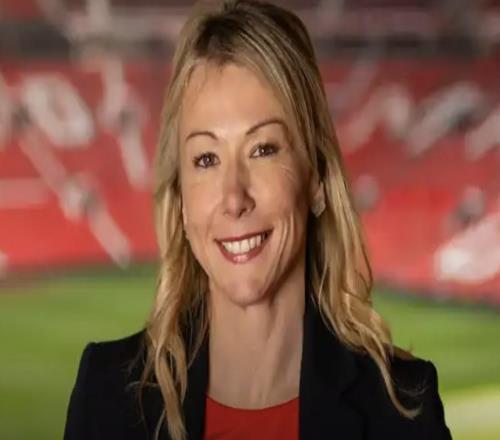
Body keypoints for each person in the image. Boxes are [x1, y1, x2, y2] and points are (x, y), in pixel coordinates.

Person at [63, 1, 452, 439]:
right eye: (206, 159)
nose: (234, 198)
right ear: (182, 199)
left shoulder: (402, 409)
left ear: (316, 178)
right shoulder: (106, 396)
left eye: (263, 149)